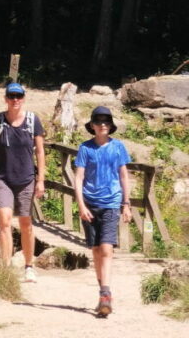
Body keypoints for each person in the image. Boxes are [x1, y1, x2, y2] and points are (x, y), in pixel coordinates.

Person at [74, 105, 132, 317]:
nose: (103, 125)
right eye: (98, 122)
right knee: (96, 251)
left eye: (106, 121)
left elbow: (124, 176)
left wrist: (126, 204)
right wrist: (80, 205)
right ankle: (102, 292)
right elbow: (78, 178)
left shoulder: (118, 147)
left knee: (107, 249)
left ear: (111, 125)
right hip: (89, 204)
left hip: (111, 203)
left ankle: (106, 294)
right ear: (92, 126)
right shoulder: (85, 149)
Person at [0, 82, 46, 282]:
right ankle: (6, 268)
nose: (15, 100)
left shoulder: (32, 121)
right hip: (2, 178)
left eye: (18, 96)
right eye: (11, 96)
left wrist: (41, 180)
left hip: (26, 179)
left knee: (26, 222)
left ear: (23, 98)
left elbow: (40, 151)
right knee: (4, 221)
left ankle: (29, 266)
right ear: (5, 99)